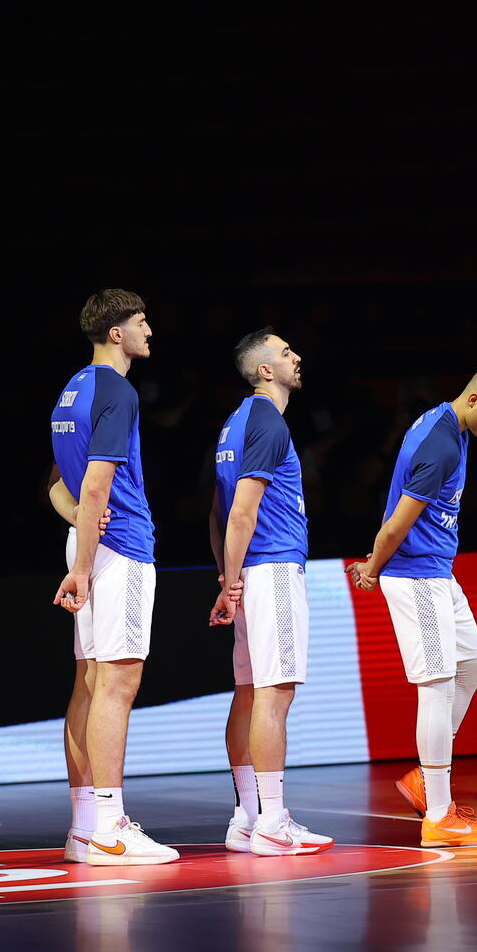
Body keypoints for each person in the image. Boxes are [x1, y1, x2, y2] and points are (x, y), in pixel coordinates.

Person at [349, 368, 477, 848]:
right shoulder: (440, 443)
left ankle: (427, 778)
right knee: (438, 686)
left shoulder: (453, 428)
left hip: (438, 572)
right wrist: (372, 568)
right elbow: (396, 522)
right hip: (416, 574)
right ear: (473, 397)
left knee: (473, 664)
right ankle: (439, 817)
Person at [50, 290, 177, 865]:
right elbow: (95, 483)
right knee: (118, 685)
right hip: (118, 547)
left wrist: (77, 527)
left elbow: (56, 482)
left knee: (89, 683)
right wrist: (83, 564)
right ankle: (109, 827)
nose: (151, 330)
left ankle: (84, 827)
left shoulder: (71, 388)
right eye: (142, 322)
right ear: (117, 333)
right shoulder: (118, 390)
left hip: (90, 542)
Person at [209, 328, 334, 855]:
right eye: (285, 352)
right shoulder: (266, 420)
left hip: (249, 575)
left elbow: (214, 514)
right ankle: (272, 823)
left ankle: (247, 817)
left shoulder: (233, 423)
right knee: (274, 695)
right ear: (265, 370)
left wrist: (226, 577)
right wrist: (232, 580)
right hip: (273, 570)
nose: (296, 356)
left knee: (249, 693)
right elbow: (239, 511)